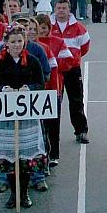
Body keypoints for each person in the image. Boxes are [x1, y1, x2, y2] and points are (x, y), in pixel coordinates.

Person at [0, 24, 46, 208]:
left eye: (20, 41)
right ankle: (13, 194)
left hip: (27, 118)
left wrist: (29, 88)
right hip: (5, 120)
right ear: (6, 43)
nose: (17, 45)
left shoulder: (33, 61)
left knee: (25, 159)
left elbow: (40, 84)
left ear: (24, 42)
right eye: (13, 42)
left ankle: (24, 193)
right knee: (10, 157)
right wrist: (3, 89)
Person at [50, 0, 90, 144]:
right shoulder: (48, 26)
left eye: (64, 8)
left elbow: (84, 47)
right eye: (59, 8)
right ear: (54, 9)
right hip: (53, 71)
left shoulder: (79, 28)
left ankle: (81, 131)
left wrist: (72, 60)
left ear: (69, 10)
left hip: (72, 70)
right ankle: (51, 134)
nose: (61, 10)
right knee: (54, 102)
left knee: (76, 101)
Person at [35, 14, 73, 166]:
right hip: (38, 89)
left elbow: (69, 61)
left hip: (54, 87)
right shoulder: (30, 44)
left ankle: (53, 154)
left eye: (44, 28)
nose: (42, 31)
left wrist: (54, 67)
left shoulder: (58, 42)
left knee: (53, 123)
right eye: (39, 28)